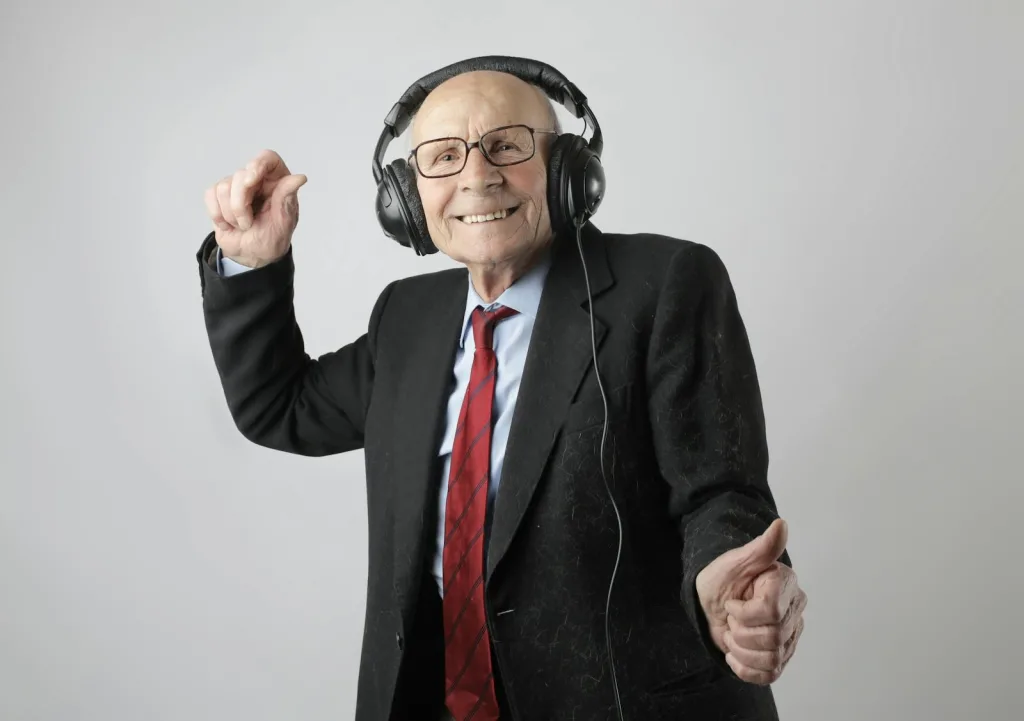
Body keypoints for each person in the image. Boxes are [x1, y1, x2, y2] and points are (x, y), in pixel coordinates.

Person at [196, 56, 807, 721]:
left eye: (508, 145)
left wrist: (726, 579)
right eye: (443, 156)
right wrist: (252, 264)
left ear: (570, 170)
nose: (477, 176)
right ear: (403, 193)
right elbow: (280, 407)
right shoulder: (407, 316)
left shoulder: (664, 285)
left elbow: (718, 488)